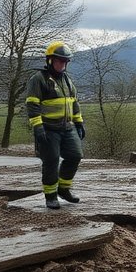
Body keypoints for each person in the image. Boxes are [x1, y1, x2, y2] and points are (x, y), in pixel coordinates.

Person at [25, 41, 85, 209]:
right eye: (59, 61)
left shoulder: (67, 80)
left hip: (67, 127)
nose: (62, 64)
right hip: (48, 129)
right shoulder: (38, 79)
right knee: (51, 161)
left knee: (75, 156)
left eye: (65, 62)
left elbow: (74, 102)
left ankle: (63, 189)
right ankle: (50, 196)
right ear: (50, 60)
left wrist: (79, 122)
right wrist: (37, 127)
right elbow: (32, 104)